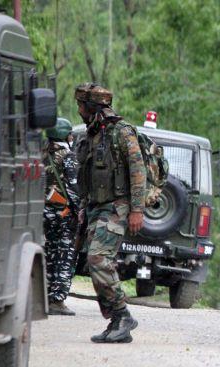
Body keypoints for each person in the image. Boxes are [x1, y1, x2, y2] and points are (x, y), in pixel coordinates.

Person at [75, 82, 146, 343]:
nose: (79, 110)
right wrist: (84, 209)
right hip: (95, 207)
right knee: (91, 263)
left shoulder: (121, 132)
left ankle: (122, 314)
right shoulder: (91, 134)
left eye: (81, 105)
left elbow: (139, 172)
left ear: (91, 106)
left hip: (117, 207)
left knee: (98, 259)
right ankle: (116, 322)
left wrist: (137, 209)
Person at [43, 117, 80, 316]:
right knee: (64, 254)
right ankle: (57, 300)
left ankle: (44, 295)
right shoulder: (68, 156)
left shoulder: (39, 153)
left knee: (47, 253)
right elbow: (73, 187)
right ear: (65, 135)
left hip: (41, 212)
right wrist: (79, 211)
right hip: (62, 213)